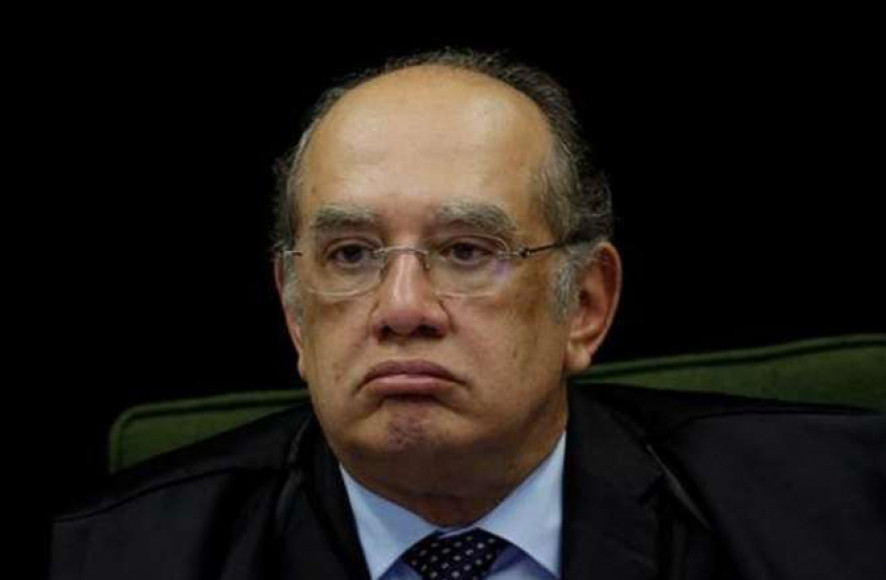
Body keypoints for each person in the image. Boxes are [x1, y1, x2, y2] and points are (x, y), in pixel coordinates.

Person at [50, 49, 885, 580]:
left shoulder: (847, 504)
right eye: (350, 255)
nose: (402, 308)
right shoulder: (103, 559)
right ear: (297, 315)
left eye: (465, 251)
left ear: (584, 305)